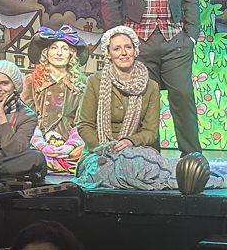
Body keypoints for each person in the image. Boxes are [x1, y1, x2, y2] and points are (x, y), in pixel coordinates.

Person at [101, 0, 201, 157]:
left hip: (175, 41)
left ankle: (192, 157)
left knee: (183, 96)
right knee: (146, 102)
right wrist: (119, 40)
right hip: (139, 44)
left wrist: (191, 36)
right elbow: (110, 0)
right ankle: (149, 157)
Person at [75, 26, 178, 191]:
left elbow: (150, 131)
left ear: (135, 50)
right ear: (108, 54)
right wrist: (102, 148)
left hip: (135, 151)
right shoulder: (95, 82)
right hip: (98, 152)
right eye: (117, 49)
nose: (123, 53)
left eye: (128, 47)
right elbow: (84, 125)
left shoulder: (151, 86)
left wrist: (130, 141)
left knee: (136, 167)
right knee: (107, 171)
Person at [23, 26, 90, 174]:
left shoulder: (82, 84)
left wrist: (69, 146)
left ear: (71, 54)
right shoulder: (31, 81)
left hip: (71, 148)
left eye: (64, 49)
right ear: (46, 53)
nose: (59, 53)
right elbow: (25, 118)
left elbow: (83, 122)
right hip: (36, 143)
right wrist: (42, 145)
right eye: (54, 48)